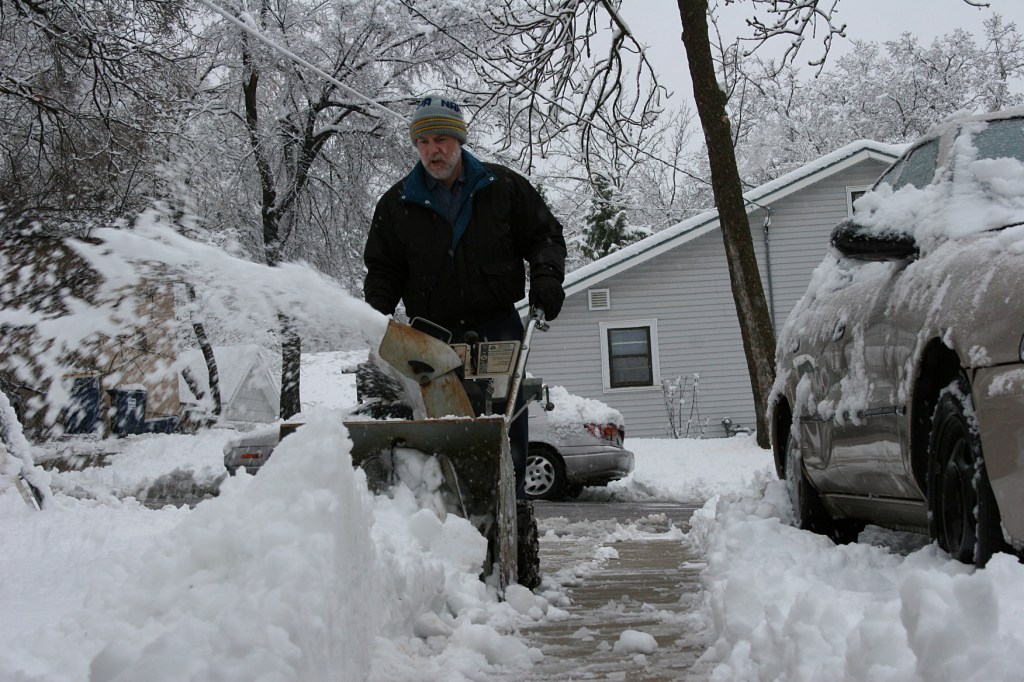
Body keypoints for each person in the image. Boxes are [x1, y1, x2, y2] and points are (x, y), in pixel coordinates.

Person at [363, 92, 566, 498]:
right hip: (430, 333)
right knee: (439, 429)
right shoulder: (396, 203)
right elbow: (384, 268)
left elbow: (544, 236)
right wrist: (375, 312)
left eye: (440, 139)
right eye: (422, 142)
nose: (431, 150)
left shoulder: (503, 188)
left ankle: (511, 504)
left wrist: (546, 278)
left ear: (459, 140)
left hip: (496, 327)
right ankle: (445, 508)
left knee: (505, 423)